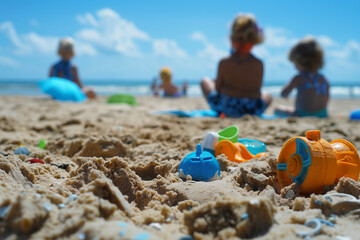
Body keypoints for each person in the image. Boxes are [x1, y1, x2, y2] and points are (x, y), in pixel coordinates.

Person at [200, 14, 271, 118]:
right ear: (254, 40)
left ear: (232, 39)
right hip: (251, 110)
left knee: (205, 81)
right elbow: (257, 92)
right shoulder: (258, 63)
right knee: (268, 95)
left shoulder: (224, 62)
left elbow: (218, 89)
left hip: (226, 108)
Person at [274, 37, 329, 118]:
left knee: (277, 109)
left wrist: (285, 93)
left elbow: (284, 92)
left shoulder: (299, 78)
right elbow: (326, 98)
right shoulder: (323, 79)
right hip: (322, 114)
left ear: (300, 62)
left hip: (302, 114)